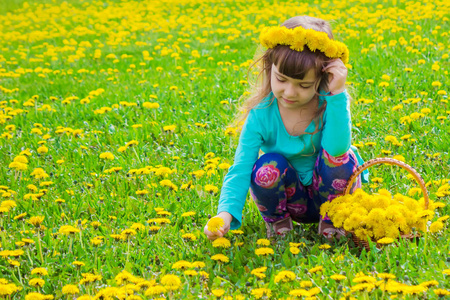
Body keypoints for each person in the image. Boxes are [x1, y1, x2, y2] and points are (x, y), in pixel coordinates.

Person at [204, 15, 368, 241]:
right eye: (281, 79)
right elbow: (241, 168)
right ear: (270, 67)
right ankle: (279, 224)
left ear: (322, 78)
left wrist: (337, 94)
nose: (290, 93)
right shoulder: (262, 115)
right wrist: (224, 214)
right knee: (266, 166)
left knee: (342, 158)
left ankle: (333, 223)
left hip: (332, 196)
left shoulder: (328, 104)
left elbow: (338, 150)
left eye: (303, 85)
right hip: (291, 201)